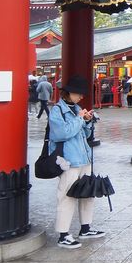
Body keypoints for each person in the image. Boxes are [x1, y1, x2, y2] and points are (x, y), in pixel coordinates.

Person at [48, 75, 105, 249]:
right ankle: (63, 234)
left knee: (88, 193)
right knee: (67, 196)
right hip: (69, 160)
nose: (81, 97)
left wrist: (87, 123)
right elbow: (62, 133)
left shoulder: (77, 108)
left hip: (84, 158)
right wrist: (80, 119)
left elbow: (85, 136)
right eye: (78, 93)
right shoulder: (57, 111)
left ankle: (86, 228)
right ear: (69, 93)